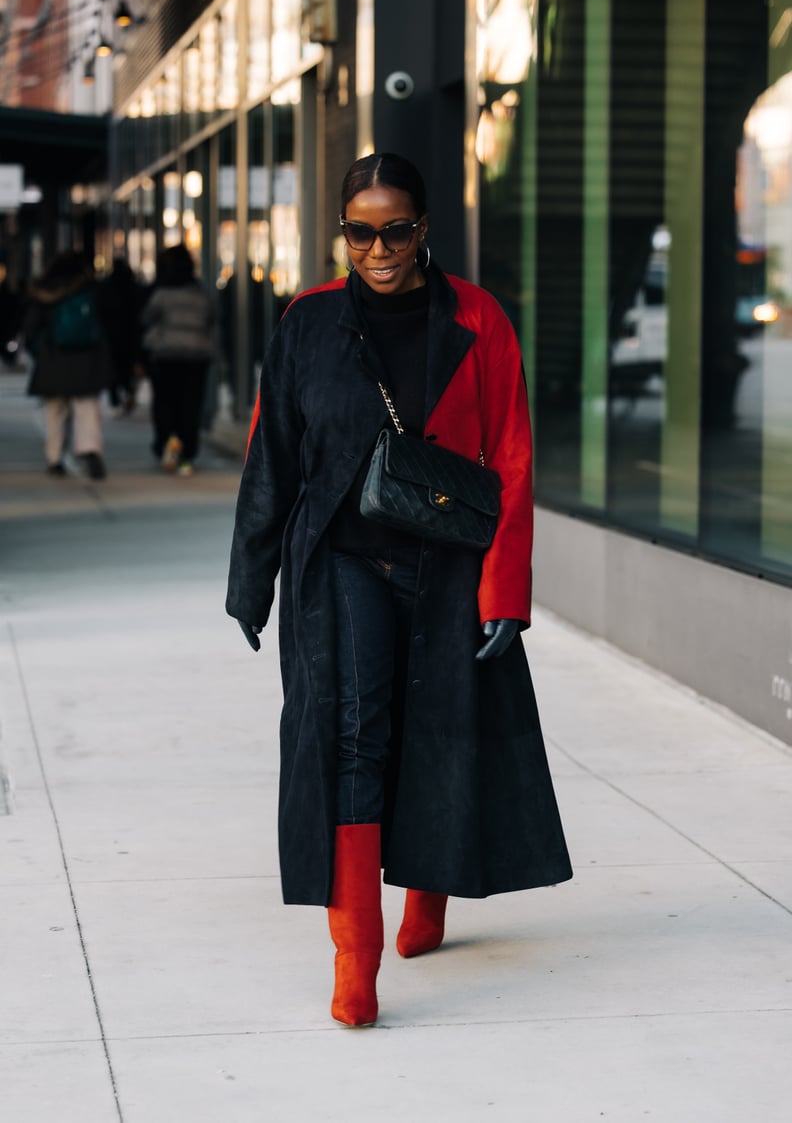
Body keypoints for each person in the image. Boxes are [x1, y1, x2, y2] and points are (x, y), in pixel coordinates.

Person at [225, 152, 572, 1027]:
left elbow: (515, 457)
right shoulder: (308, 321)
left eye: (398, 229)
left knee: (438, 733)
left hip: (450, 560)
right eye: (361, 230)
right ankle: (357, 955)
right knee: (352, 735)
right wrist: (251, 579)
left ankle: (429, 895)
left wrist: (505, 591)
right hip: (340, 556)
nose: (379, 248)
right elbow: (271, 453)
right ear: (342, 231)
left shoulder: (478, 318)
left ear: (425, 229)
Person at [25, 249, 111, 479]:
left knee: (55, 410)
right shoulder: (89, 289)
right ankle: (90, 450)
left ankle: (54, 458)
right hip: (86, 356)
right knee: (86, 406)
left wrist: (39, 350)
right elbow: (106, 321)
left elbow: (31, 328)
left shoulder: (45, 292)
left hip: (54, 357)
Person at [141, 244, 215, 476]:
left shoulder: (161, 294)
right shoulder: (201, 294)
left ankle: (168, 441)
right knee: (190, 404)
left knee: (165, 402)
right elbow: (211, 318)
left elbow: (147, 319)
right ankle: (187, 455)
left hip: (165, 354)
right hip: (196, 355)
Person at [96, 256, 144, 415]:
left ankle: (116, 399)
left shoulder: (106, 287)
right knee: (127, 367)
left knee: (114, 368)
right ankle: (126, 392)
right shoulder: (133, 287)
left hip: (112, 334)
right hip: (130, 334)